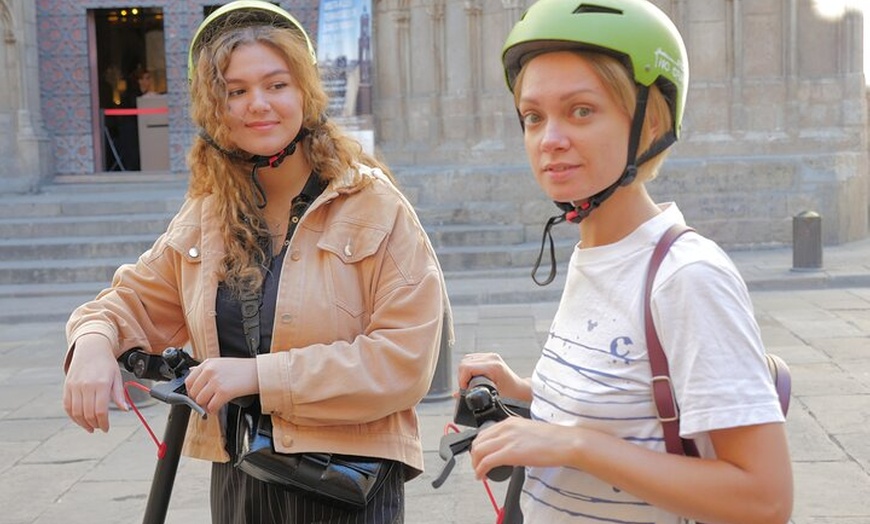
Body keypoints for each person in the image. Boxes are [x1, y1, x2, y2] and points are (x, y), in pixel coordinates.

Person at [62, 1, 452, 522]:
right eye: (235, 91)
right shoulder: (209, 213)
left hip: (346, 481)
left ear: (306, 93)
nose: (257, 105)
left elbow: (405, 360)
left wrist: (259, 376)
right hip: (243, 474)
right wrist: (91, 341)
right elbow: (129, 301)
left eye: (276, 84)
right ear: (213, 108)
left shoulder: (373, 205)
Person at [457, 0, 793, 522]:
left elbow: (764, 499)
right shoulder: (596, 252)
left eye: (581, 110)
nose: (550, 140)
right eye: (533, 116)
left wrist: (573, 445)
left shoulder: (686, 277)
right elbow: (626, 413)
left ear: (650, 121)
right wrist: (524, 394)